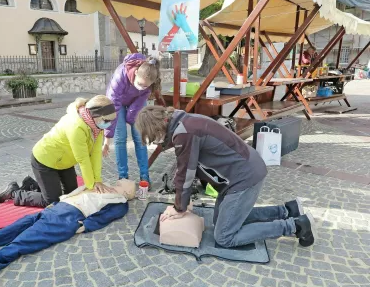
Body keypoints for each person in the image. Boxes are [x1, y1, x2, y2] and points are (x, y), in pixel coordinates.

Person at [135, 106, 316, 248]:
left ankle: (295, 226)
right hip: (242, 171)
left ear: (158, 128)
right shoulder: (184, 121)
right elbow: (191, 164)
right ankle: (287, 210)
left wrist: (179, 207)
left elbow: (186, 173)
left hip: (244, 177)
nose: (156, 142)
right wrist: (185, 200)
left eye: (153, 138)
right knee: (222, 220)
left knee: (224, 236)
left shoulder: (184, 133)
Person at [0, 179, 136, 274]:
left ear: (127, 193)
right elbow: (76, 194)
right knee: (14, 228)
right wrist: (54, 205)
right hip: (59, 208)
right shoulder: (102, 187)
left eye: (121, 184)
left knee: (29, 239)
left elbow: (106, 217)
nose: (117, 183)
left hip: (70, 217)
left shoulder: (120, 202)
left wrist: (85, 225)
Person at [0, 95, 117, 208]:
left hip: (64, 162)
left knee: (72, 193)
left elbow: (95, 154)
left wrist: (98, 181)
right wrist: (91, 185)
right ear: (96, 115)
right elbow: (83, 159)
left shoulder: (96, 127)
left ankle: (31, 184)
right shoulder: (76, 126)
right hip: (44, 160)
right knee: (51, 202)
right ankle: (14, 192)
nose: (109, 124)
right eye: (107, 120)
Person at [104, 53, 161, 186]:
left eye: (145, 86)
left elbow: (138, 106)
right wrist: (107, 138)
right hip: (117, 103)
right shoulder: (120, 77)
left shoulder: (149, 85)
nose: (141, 87)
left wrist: (131, 119)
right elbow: (114, 107)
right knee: (120, 138)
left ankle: (144, 176)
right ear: (135, 72)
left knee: (139, 138)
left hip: (135, 103)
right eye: (140, 84)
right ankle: (123, 176)